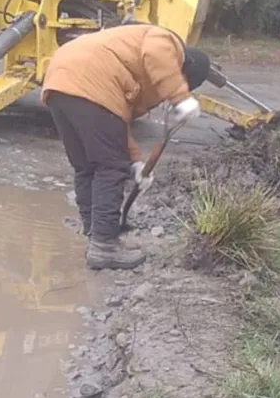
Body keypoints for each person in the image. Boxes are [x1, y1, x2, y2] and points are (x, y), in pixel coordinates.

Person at [42, 23, 210, 271]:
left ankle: (94, 232)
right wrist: (181, 98)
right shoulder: (166, 41)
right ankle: (104, 246)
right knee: (109, 167)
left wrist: (135, 163)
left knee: (87, 166)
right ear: (183, 71)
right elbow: (155, 51)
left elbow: (116, 121)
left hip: (59, 79)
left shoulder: (126, 58)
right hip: (91, 77)